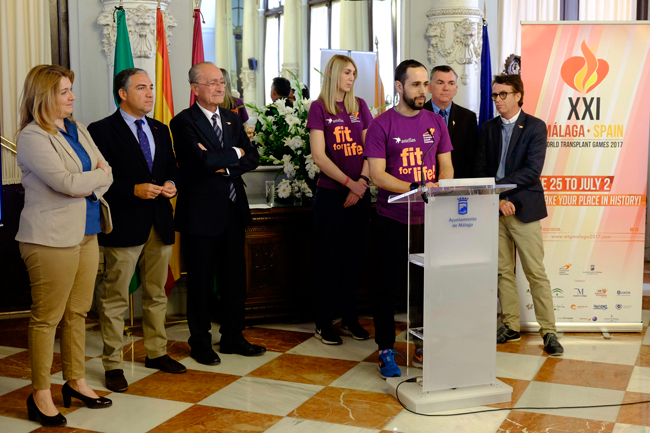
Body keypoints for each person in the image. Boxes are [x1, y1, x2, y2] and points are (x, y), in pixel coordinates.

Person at [15, 65, 113, 427]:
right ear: (45, 96)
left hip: (88, 231)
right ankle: (40, 392)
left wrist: (91, 180)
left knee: (78, 314)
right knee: (47, 319)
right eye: (65, 91)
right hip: (49, 239)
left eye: (71, 90)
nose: (72, 97)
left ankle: (76, 382)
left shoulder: (78, 128)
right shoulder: (32, 136)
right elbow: (66, 183)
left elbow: (108, 171)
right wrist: (92, 178)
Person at [87, 68, 186, 393]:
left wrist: (172, 183)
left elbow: (171, 167)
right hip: (124, 226)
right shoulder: (101, 130)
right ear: (123, 93)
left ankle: (157, 352)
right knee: (115, 298)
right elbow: (97, 181)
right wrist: (132, 190)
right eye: (141, 87)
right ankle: (113, 364)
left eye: (151, 87)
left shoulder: (160, 128)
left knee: (157, 294)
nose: (149, 93)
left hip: (160, 223)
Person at [170, 62, 264, 365]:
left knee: (235, 279)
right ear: (195, 88)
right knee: (198, 282)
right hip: (200, 214)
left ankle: (233, 337)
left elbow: (252, 157)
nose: (220, 87)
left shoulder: (232, 120)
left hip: (233, 210)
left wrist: (225, 158)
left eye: (221, 81)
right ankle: (200, 342)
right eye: (211, 83)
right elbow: (197, 162)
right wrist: (230, 155)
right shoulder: (182, 122)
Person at [365, 60, 454, 378]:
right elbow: (377, 175)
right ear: (399, 87)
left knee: (425, 288)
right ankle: (386, 349)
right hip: (391, 219)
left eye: (425, 84)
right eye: (416, 84)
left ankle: (422, 344)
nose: (424, 90)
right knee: (386, 287)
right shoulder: (381, 125)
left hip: (427, 220)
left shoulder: (436, 122)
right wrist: (415, 188)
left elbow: (446, 167)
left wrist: (439, 186)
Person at [475, 73, 563, 357]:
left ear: (518, 96)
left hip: (524, 209)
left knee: (535, 272)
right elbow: (480, 170)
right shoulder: (487, 128)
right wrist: (498, 199)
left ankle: (549, 331)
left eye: (503, 94)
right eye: (494, 95)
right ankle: (510, 325)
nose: (498, 100)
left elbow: (531, 171)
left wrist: (505, 195)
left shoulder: (535, 127)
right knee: (502, 271)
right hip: (494, 208)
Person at [307, 54, 373, 345]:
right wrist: (349, 184)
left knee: (355, 260)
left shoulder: (360, 107)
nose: (351, 78)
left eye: (354, 74)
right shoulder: (319, 108)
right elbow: (319, 156)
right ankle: (324, 322)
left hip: (360, 195)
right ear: (334, 73)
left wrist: (363, 183)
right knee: (327, 260)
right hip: (331, 196)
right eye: (347, 72)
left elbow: (373, 149)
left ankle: (349, 318)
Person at [423, 65, 479, 179]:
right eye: (440, 82)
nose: (446, 88)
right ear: (429, 87)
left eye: (451, 83)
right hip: (424, 184)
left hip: (457, 186)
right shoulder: (418, 115)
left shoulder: (468, 118)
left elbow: (472, 159)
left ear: (456, 89)